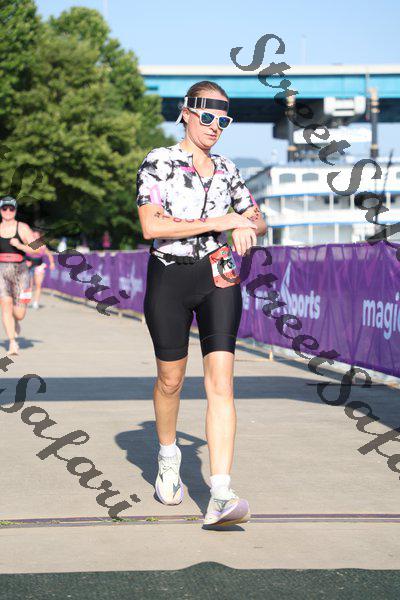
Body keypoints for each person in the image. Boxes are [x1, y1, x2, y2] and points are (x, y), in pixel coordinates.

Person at [136, 81, 267, 529]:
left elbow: (256, 217)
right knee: (170, 380)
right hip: (169, 276)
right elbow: (152, 226)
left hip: (219, 276)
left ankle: (220, 493)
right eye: (207, 117)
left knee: (222, 384)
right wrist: (223, 219)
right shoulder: (159, 161)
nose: (215, 127)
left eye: (224, 120)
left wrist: (247, 224)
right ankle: (168, 456)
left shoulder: (228, 169)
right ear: (187, 113)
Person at [0, 196, 39, 355]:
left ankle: (16, 321)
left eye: (11, 208)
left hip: (21, 271)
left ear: (15, 210)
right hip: (2, 270)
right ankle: (12, 343)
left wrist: (20, 245)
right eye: (5, 208)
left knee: (20, 314)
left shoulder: (22, 228)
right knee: (5, 304)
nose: (8, 211)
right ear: (0, 210)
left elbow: (37, 249)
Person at [25, 230, 55, 309]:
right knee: (29, 285)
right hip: (28, 267)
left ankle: (36, 303)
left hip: (39, 266)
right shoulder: (27, 245)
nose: (35, 238)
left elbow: (49, 254)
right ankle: (26, 301)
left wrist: (52, 263)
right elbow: (22, 255)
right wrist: (26, 262)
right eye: (33, 236)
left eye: (36, 236)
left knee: (38, 285)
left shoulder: (42, 246)